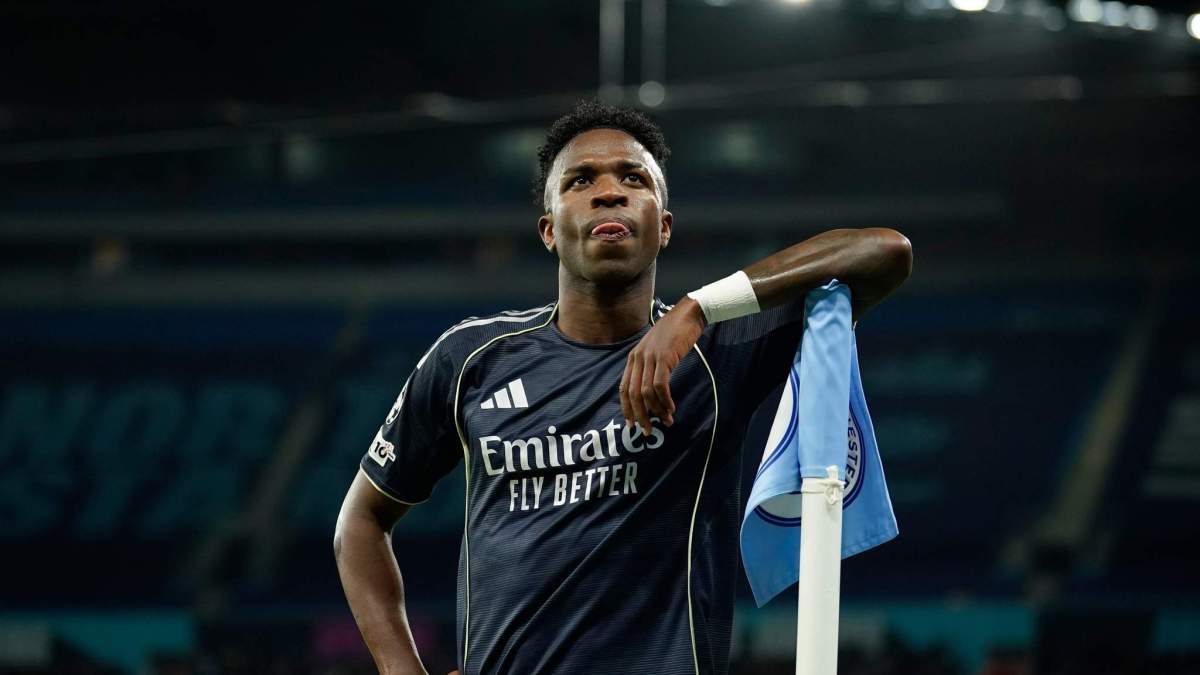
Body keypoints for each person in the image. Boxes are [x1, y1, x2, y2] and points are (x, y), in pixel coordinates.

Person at [333, 99, 912, 675]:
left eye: (633, 178)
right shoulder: (471, 358)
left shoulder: (715, 355)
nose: (609, 192)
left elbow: (882, 252)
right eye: (580, 180)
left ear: (662, 227)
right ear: (548, 230)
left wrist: (698, 309)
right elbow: (361, 522)